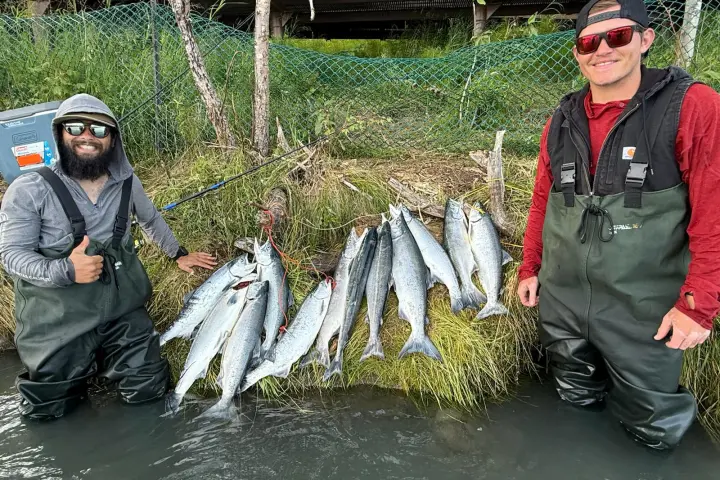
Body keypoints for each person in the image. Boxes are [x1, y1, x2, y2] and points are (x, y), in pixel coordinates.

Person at [517, 0, 720, 450]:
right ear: (577, 53)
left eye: (620, 36)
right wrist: (530, 267)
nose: (603, 49)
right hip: (563, 305)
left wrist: (698, 304)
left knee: (653, 430)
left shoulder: (694, 107)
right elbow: (541, 202)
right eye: (590, 41)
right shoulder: (561, 120)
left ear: (646, 40)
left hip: (643, 315)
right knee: (574, 405)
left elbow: (715, 212)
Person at [0, 93, 218, 419]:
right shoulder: (29, 188)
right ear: (60, 133)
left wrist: (178, 255)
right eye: (76, 127)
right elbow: (11, 255)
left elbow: (151, 219)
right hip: (56, 322)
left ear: (112, 139)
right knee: (48, 410)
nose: (87, 136)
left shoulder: (126, 182)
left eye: (99, 130)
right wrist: (65, 270)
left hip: (121, 312)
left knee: (149, 385)